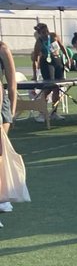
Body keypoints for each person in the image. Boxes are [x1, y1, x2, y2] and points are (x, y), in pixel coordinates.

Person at [0, 37, 16, 218]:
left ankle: (3, 196)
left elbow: (12, 83)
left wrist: (11, 111)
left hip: (1, 103)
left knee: (1, 151)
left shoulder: (3, 49)